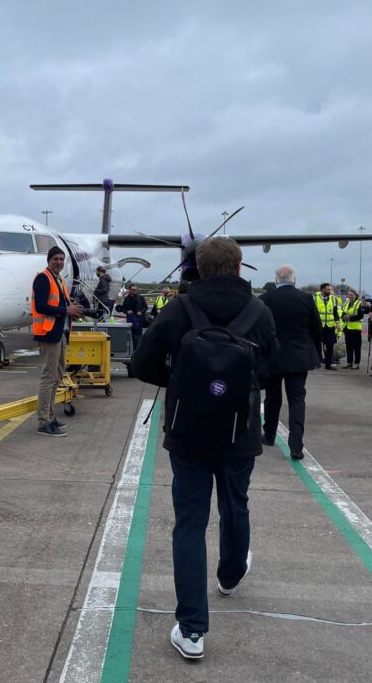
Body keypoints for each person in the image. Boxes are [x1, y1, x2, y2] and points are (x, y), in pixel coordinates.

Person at [130, 238, 277, 661]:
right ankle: (230, 575)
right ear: (239, 266)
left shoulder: (180, 308)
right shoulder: (259, 311)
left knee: (190, 523)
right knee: (236, 503)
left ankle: (192, 629)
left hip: (189, 431)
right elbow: (269, 367)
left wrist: (183, 383)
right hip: (239, 430)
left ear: (197, 266)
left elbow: (141, 362)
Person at [260, 265, 321, 458]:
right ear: (295, 280)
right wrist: (314, 353)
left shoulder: (265, 299)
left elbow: (260, 329)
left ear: (276, 280)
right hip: (298, 357)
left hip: (273, 356)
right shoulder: (306, 299)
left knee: (272, 397)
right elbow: (316, 328)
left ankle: (269, 434)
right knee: (296, 399)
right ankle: (296, 444)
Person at [31, 247, 84, 437]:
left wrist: (73, 311)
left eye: (62, 259)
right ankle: (43, 422)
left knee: (56, 377)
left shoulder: (58, 279)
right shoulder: (43, 278)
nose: (59, 262)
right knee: (48, 377)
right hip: (48, 335)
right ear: (49, 260)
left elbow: (61, 306)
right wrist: (66, 311)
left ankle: (50, 417)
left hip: (60, 334)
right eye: (55, 259)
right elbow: (41, 306)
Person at [314, 283, 340, 370]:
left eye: (330, 289)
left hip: (330, 326)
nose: (330, 291)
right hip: (319, 326)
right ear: (322, 290)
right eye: (328, 289)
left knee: (330, 346)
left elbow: (335, 312)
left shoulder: (333, 299)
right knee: (317, 345)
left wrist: (337, 322)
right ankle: (316, 362)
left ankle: (328, 364)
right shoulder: (315, 298)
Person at [118, 283, 149, 347]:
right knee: (131, 336)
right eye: (133, 289)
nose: (135, 291)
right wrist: (127, 311)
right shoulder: (127, 298)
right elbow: (123, 308)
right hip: (130, 319)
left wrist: (141, 311)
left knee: (138, 336)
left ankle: (138, 350)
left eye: (136, 289)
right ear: (130, 290)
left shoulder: (140, 297)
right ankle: (132, 350)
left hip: (139, 319)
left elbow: (146, 307)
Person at [341, 289, 364, 369]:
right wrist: (343, 316)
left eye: (352, 295)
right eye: (349, 295)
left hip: (356, 329)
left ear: (355, 295)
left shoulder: (359, 304)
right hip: (347, 329)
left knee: (357, 347)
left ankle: (356, 363)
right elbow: (343, 312)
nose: (350, 296)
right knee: (348, 347)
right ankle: (349, 362)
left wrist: (350, 317)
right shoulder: (347, 303)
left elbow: (360, 316)